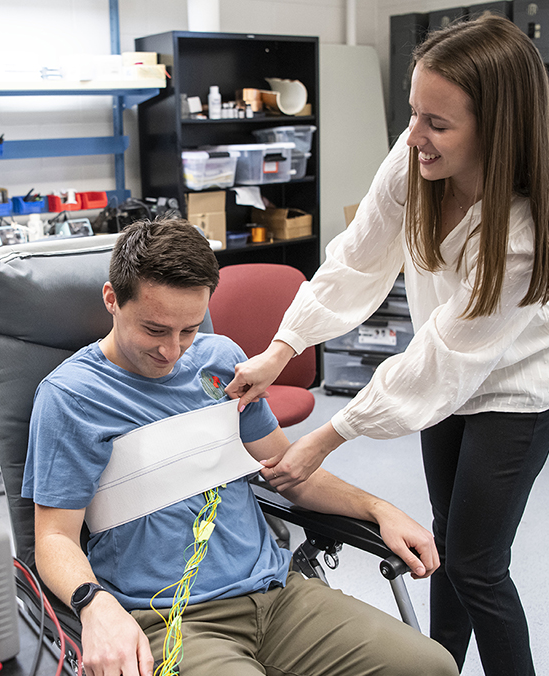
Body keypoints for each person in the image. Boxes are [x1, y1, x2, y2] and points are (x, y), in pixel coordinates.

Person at [226, 16, 549, 676]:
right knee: (447, 539)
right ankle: (441, 665)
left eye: (438, 124)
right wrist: (283, 348)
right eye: (414, 112)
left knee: (479, 565)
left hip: (518, 383)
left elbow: (441, 361)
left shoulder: (527, 231)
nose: (415, 136)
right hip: (446, 372)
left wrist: (323, 439)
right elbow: (357, 259)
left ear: (496, 129)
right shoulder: (417, 154)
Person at [23, 218, 458, 676]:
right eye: (154, 330)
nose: (172, 351)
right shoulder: (72, 397)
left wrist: (376, 507)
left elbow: (287, 472)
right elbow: (53, 538)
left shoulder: (220, 360)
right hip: (173, 619)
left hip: (278, 595)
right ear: (112, 299)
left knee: (432, 667)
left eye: (188, 329)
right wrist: (94, 605)